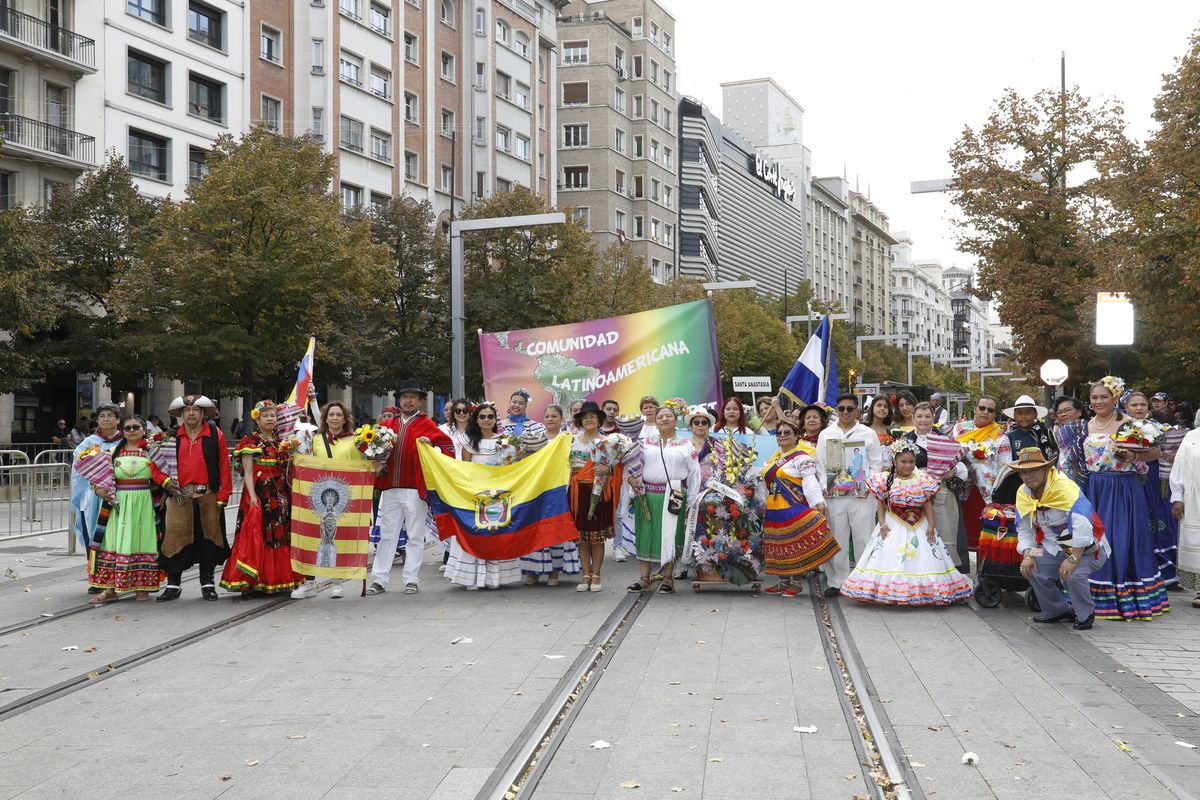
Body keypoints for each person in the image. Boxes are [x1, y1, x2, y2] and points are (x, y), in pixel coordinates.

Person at [1057, 378, 1169, 621]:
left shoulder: (1128, 423)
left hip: (1124, 488)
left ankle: (1124, 596)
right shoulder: (1084, 426)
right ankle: (1088, 598)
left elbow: (1157, 451)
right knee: (1093, 538)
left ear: (1115, 398)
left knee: (1121, 538)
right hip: (1094, 488)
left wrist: (1132, 454)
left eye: (1104, 397)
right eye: (1094, 397)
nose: (1099, 402)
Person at [841, 440, 970, 606]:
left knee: (924, 558)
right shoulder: (886, 479)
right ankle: (892, 591)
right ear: (894, 462)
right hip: (892, 523)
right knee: (891, 557)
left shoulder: (922, 479)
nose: (908, 465)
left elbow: (927, 503)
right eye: (903, 462)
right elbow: (881, 503)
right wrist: (882, 523)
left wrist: (931, 525)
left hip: (920, 524)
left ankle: (925, 590)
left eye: (911, 462)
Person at [370, 382, 454, 595]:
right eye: (404, 396)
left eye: (412, 397)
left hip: (415, 488)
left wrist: (431, 445)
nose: (408, 400)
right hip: (390, 487)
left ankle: (411, 579)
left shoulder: (427, 424)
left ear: (419, 400)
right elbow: (370, 451)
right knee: (387, 535)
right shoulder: (388, 425)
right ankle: (379, 579)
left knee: (415, 535)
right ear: (398, 399)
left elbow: (447, 447)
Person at [1014, 447, 1110, 630]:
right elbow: (1025, 529)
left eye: (1034, 470)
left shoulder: (1064, 488)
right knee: (1031, 567)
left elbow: (1083, 526)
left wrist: (1073, 559)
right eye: (1024, 472)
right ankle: (1057, 611)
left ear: (1045, 469)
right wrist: (1028, 555)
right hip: (1053, 546)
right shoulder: (1023, 493)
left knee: (1071, 575)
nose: (1029, 476)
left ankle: (1085, 615)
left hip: (1089, 548)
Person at [87, 415, 176, 603]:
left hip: (144, 503)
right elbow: (95, 478)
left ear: (144, 430)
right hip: (117, 505)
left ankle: (142, 587)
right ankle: (110, 589)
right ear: (123, 431)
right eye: (128, 428)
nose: (132, 430)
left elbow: (165, 475)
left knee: (141, 542)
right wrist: (98, 489)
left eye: (137, 427)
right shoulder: (111, 452)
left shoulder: (152, 452)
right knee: (113, 543)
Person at [220, 400, 303, 596]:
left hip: (280, 493)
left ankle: (277, 579)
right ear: (257, 418)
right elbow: (247, 472)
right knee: (256, 535)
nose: (270, 419)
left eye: (273, 415)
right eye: (265, 415)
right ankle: (250, 580)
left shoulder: (280, 441)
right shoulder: (250, 441)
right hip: (259, 492)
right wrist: (252, 497)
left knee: (278, 535)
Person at [290, 401, 369, 599]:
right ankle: (309, 583)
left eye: (338, 415)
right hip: (319, 494)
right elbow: (309, 464)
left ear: (345, 418)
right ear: (325, 418)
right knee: (310, 536)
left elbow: (362, 466)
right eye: (331, 415)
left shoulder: (355, 440)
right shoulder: (316, 439)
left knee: (340, 539)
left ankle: (337, 581)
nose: (334, 418)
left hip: (345, 497)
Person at [158, 395, 232, 602]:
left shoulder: (215, 434)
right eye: (187, 410)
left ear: (203, 413)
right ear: (181, 414)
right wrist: (164, 481)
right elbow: (154, 464)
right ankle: (173, 584)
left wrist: (223, 496)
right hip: (179, 496)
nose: (191, 413)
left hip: (208, 495)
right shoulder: (170, 437)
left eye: (196, 410)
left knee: (209, 540)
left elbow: (224, 466)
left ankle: (207, 583)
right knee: (174, 540)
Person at [445, 403, 523, 590]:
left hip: (499, 496)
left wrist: (516, 456)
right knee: (477, 533)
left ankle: (497, 578)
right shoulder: (469, 442)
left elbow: (510, 469)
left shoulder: (505, 441)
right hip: (477, 496)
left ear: (495, 420)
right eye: (483, 416)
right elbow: (466, 471)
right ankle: (473, 578)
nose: (487, 420)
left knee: (496, 533)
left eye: (490, 417)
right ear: (476, 419)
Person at [757, 419, 839, 596]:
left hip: (790, 507)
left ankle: (795, 583)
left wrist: (818, 502)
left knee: (792, 544)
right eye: (779, 433)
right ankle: (783, 581)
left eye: (787, 432)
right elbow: (766, 484)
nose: (783, 435)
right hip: (773, 508)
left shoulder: (802, 457)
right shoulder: (775, 457)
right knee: (778, 545)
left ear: (796, 436)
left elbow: (809, 482)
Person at [625, 405, 700, 594]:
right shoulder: (645, 442)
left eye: (669, 416)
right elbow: (633, 466)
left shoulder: (685, 444)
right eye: (661, 417)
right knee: (645, 534)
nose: (665, 419)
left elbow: (694, 473)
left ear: (676, 421)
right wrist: (631, 480)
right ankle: (644, 578)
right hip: (647, 493)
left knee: (670, 535)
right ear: (655, 421)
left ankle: (668, 578)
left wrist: (692, 499)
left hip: (674, 494)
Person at [816, 394, 886, 596]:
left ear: (857, 410)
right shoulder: (826, 434)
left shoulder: (867, 433)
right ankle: (837, 581)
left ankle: (864, 581)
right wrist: (824, 485)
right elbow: (820, 465)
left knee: (864, 536)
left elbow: (876, 463)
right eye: (841, 408)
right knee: (837, 537)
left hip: (861, 495)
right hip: (834, 495)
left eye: (849, 408)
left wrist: (869, 484)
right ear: (836, 410)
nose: (845, 412)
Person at [904, 403, 970, 571]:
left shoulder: (945, 439)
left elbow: (960, 468)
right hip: (913, 496)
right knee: (916, 536)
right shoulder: (905, 440)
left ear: (933, 419)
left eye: (927, 416)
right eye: (919, 416)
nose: (923, 420)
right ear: (913, 418)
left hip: (942, 493)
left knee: (944, 533)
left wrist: (951, 472)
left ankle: (947, 575)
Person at [521, 405, 582, 585]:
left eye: (554, 416)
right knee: (537, 528)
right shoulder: (535, 439)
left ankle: (554, 572)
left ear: (561, 419)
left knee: (555, 528)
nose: (549, 419)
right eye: (547, 416)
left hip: (559, 489)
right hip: (537, 489)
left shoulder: (568, 439)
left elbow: (576, 462)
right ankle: (534, 571)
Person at [1125, 390, 1179, 589]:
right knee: (1138, 522)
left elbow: (1164, 452)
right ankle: (1139, 568)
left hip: (1155, 479)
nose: (1139, 408)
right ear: (1126, 408)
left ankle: (1168, 570)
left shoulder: (1157, 427)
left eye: (1142, 405)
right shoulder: (1122, 427)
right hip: (1131, 479)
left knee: (1160, 519)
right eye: (1134, 405)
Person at [71, 405, 123, 590]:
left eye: (110, 416)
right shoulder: (88, 443)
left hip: (121, 496)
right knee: (93, 535)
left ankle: (119, 576)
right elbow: (78, 471)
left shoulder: (126, 441)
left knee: (119, 537)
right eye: (102, 416)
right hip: (94, 498)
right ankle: (95, 578)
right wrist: (95, 487)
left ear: (118, 419)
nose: (106, 419)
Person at [569, 401, 619, 592]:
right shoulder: (571, 440)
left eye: (593, 416)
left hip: (599, 491)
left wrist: (608, 469)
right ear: (580, 421)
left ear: (599, 420)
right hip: (577, 491)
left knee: (596, 537)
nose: (589, 419)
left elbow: (619, 468)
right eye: (585, 416)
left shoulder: (609, 442)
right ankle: (585, 574)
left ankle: (597, 574)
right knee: (581, 536)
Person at [951, 395, 1007, 554]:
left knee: (985, 539)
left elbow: (1005, 466)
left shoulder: (1000, 435)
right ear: (975, 409)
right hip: (963, 490)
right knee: (962, 537)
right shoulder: (960, 428)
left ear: (995, 414)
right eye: (982, 408)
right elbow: (951, 453)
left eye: (990, 410)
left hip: (988, 495)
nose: (985, 412)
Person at [1169, 426, 1200, 608]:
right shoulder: (1192, 436)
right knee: (1197, 542)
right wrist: (1178, 497)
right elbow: (1179, 466)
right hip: (1194, 498)